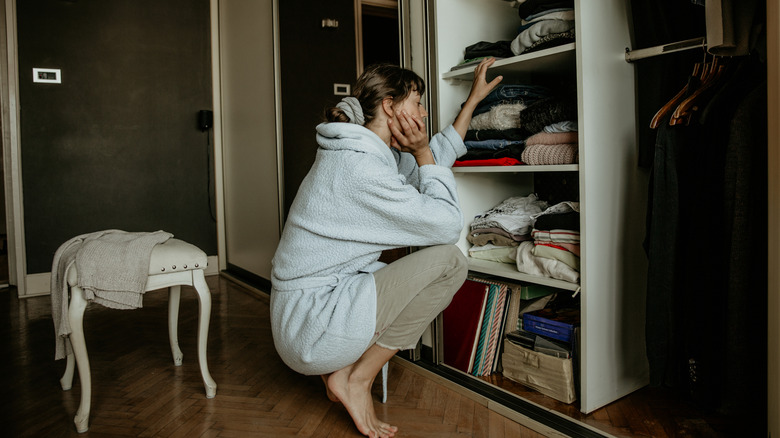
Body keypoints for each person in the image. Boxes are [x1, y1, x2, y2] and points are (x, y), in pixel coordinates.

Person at [270, 58, 502, 438]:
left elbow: (436, 158)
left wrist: (471, 102)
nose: (424, 113)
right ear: (392, 105)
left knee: (426, 263)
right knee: (449, 262)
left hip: (304, 314)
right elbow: (445, 225)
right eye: (419, 102)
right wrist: (424, 153)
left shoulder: (362, 154)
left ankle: (345, 372)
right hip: (311, 328)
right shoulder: (361, 170)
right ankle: (356, 378)